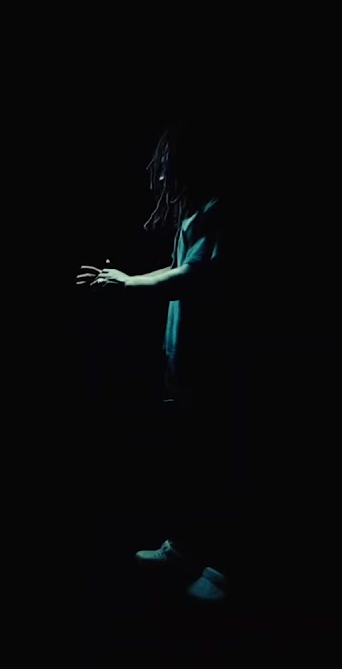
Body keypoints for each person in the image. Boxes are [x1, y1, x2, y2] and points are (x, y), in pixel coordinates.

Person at [76, 124, 239, 602]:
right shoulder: (197, 214)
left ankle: (222, 569)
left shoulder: (220, 211)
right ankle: (185, 549)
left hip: (213, 362)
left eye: (167, 164)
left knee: (214, 461)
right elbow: (179, 271)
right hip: (187, 359)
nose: (160, 174)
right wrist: (127, 279)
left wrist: (128, 283)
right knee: (190, 459)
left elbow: (194, 275)